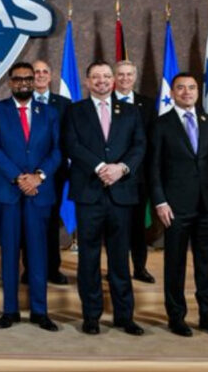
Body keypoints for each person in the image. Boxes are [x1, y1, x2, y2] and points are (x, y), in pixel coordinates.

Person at [64, 60, 146, 336]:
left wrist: (121, 168)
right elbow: (71, 144)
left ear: (113, 80)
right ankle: (91, 316)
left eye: (107, 76)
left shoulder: (131, 111)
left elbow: (139, 145)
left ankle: (125, 316)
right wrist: (100, 167)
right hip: (89, 193)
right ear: (87, 81)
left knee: (120, 258)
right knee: (88, 259)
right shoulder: (75, 110)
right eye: (96, 77)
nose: (102, 81)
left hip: (121, 194)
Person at [150, 72, 208, 337]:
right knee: (175, 265)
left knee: (206, 265)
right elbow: (154, 167)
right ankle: (177, 317)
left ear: (198, 91)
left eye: (192, 87)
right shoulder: (161, 124)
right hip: (175, 207)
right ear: (172, 93)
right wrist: (160, 201)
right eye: (181, 88)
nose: (187, 92)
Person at [0, 63, 62, 331]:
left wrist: (38, 176)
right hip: (8, 193)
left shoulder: (49, 113)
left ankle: (40, 311)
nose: (24, 83)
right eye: (18, 79)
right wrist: (19, 178)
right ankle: (10, 310)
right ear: (10, 82)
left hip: (39, 192)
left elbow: (57, 150)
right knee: (9, 254)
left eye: (29, 78)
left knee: (38, 254)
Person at [113, 59, 156, 284]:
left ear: (135, 77)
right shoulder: (104, 102)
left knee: (137, 226)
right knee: (115, 227)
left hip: (138, 177)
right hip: (110, 176)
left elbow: (151, 142)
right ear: (114, 77)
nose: (125, 78)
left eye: (129, 74)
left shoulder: (147, 105)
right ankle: (116, 269)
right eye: (120, 74)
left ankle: (140, 267)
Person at [31, 59, 71, 285]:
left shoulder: (64, 104)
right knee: (29, 224)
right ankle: (30, 269)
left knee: (51, 223)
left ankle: (52, 269)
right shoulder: (22, 101)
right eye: (36, 72)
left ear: (51, 75)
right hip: (27, 175)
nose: (40, 75)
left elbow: (67, 140)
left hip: (54, 174)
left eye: (44, 71)